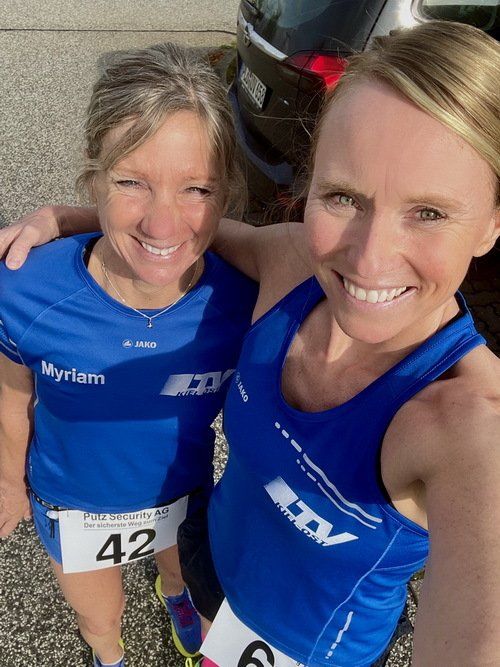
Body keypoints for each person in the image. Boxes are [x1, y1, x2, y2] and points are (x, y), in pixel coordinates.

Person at [1, 20, 499, 666]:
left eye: (428, 212)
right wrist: (66, 220)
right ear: (308, 189)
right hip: (211, 564)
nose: (370, 260)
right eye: (343, 196)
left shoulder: (471, 427)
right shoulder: (291, 263)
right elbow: (175, 236)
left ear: (492, 222)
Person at [0, 42, 257, 667]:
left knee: (179, 571)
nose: (162, 227)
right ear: (93, 177)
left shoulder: (248, 300)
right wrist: (7, 480)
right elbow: (10, 393)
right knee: (98, 617)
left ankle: (176, 596)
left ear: (225, 193)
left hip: (184, 496)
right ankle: (108, 656)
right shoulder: (24, 289)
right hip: (73, 506)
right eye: (131, 182)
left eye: (196, 187)